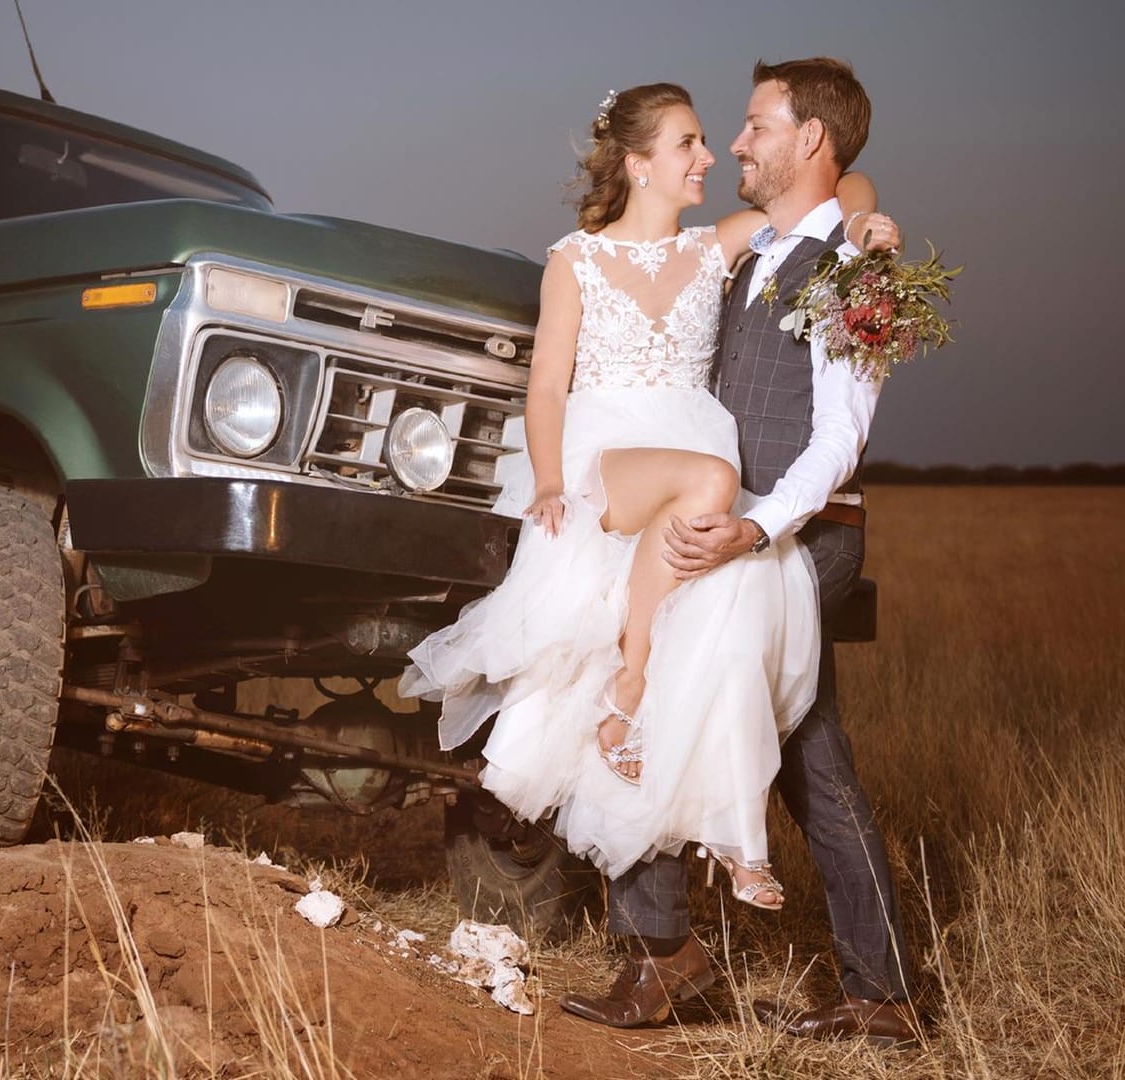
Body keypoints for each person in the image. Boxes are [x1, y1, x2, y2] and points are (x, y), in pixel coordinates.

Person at [401, 76, 897, 920]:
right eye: (689, 144)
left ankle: (694, 888)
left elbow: (838, 184)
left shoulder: (718, 245)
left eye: (719, 137)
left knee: (711, 658)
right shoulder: (576, 260)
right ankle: (629, 687)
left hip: (693, 455)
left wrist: (867, 226)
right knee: (704, 504)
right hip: (611, 459)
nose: (712, 154)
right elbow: (547, 386)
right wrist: (552, 479)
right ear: (637, 164)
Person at [557, 58, 923, 1048]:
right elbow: (851, 186)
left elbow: (843, 434)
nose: (739, 145)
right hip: (730, 529)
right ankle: (877, 994)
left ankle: (661, 953)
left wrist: (758, 530)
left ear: (807, 138)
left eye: (758, 125)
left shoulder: (855, 272)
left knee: (657, 685)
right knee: (815, 761)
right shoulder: (763, 248)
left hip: (799, 535)